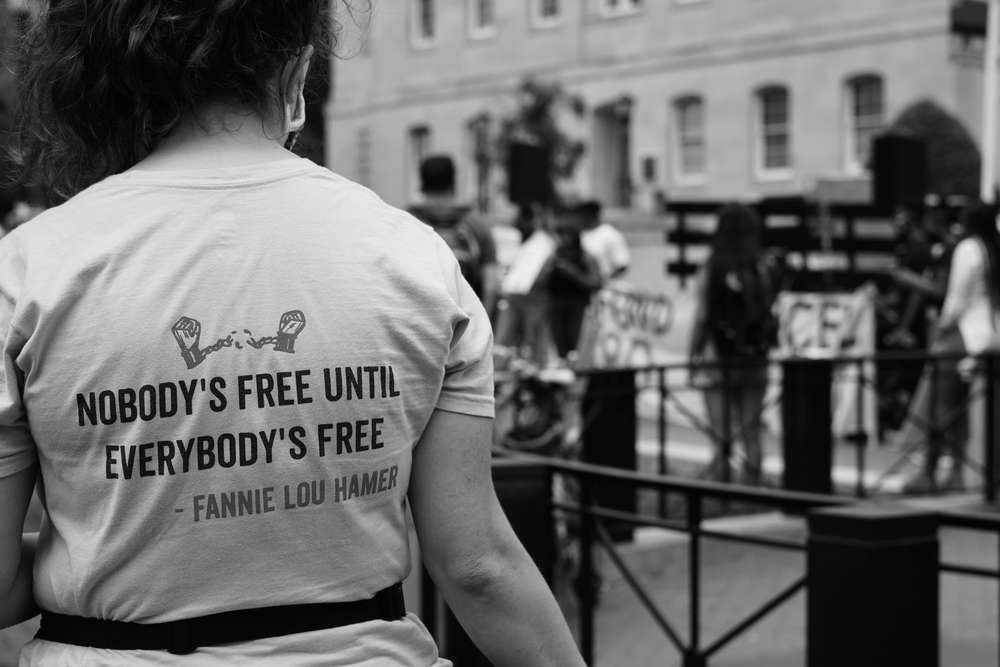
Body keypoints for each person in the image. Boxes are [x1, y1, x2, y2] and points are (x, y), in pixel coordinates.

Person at [0, 3, 586, 666]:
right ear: (298, 72)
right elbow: (478, 565)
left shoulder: (29, 271)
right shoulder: (416, 259)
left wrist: (103, 550)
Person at [900, 202, 1000, 494]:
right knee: (983, 412)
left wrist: (942, 328)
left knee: (940, 407)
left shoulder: (968, 249)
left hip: (966, 334)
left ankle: (930, 472)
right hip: (993, 337)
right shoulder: (994, 248)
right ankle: (971, 473)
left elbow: (956, 300)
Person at [688, 204, 779, 486]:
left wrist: (693, 355)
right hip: (755, 357)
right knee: (752, 431)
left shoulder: (713, 266)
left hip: (717, 356)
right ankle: (753, 486)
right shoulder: (762, 266)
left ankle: (723, 489)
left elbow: (702, 316)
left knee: (721, 435)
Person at [408, 155, 499, 321]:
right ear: (453, 183)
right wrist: (481, 324)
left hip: (419, 323)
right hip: (465, 324)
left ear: (422, 183)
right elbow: (491, 285)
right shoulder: (476, 224)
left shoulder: (407, 221)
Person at [544, 206, 602, 360]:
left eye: (565, 235)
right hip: (556, 306)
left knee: (577, 349)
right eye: (560, 235)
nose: (562, 239)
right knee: (561, 350)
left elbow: (596, 282)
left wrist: (572, 272)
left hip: (578, 307)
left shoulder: (586, 257)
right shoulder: (555, 255)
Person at [579, 200, 629, 284]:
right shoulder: (578, 234)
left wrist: (604, 281)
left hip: (606, 284)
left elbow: (622, 265)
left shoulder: (610, 234)